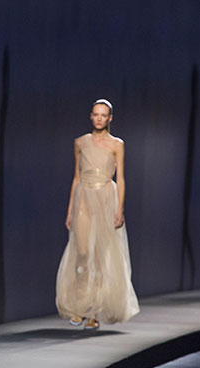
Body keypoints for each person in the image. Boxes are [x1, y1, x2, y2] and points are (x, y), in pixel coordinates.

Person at [55, 99, 139, 330]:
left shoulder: (117, 144)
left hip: (106, 198)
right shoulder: (80, 143)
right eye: (96, 114)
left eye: (103, 115)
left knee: (101, 255)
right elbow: (76, 177)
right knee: (82, 253)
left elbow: (121, 178)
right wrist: (70, 210)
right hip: (83, 196)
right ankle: (80, 306)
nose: (99, 118)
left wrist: (120, 209)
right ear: (91, 116)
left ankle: (94, 312)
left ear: (110, 118)